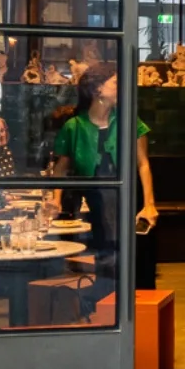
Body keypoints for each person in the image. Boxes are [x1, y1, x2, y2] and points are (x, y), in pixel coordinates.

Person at [51, 63, 159, 296]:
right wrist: (56, 200)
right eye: (115, 83)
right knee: (105, 260)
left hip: (130, 200)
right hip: (94, 204)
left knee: (138, 259)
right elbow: (61, 167)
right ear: (97, 89)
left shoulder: (130, 120)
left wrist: (149, 204)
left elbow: (143, 164)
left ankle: (140, 317)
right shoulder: (74, 127)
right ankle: (107, 313)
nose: (122, 88)